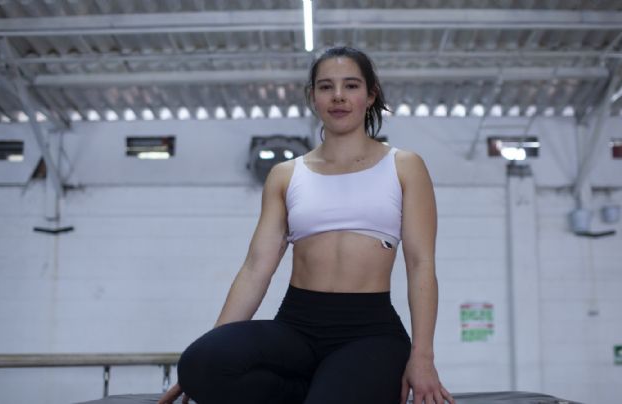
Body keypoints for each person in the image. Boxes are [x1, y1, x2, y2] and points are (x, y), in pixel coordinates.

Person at [158, 46, 454, 404]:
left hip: (370, 332)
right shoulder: (286, 175)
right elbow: (256, 269)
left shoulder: (405, 166)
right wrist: (212, 350)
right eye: (326, 87)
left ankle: (331, 387)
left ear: (371, 94)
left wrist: (422, 358)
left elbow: (421, 264)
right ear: (312, 96)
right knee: (200, 363)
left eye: (351, 85)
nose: (339, 96)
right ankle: (310, 389)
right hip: (296, 326)